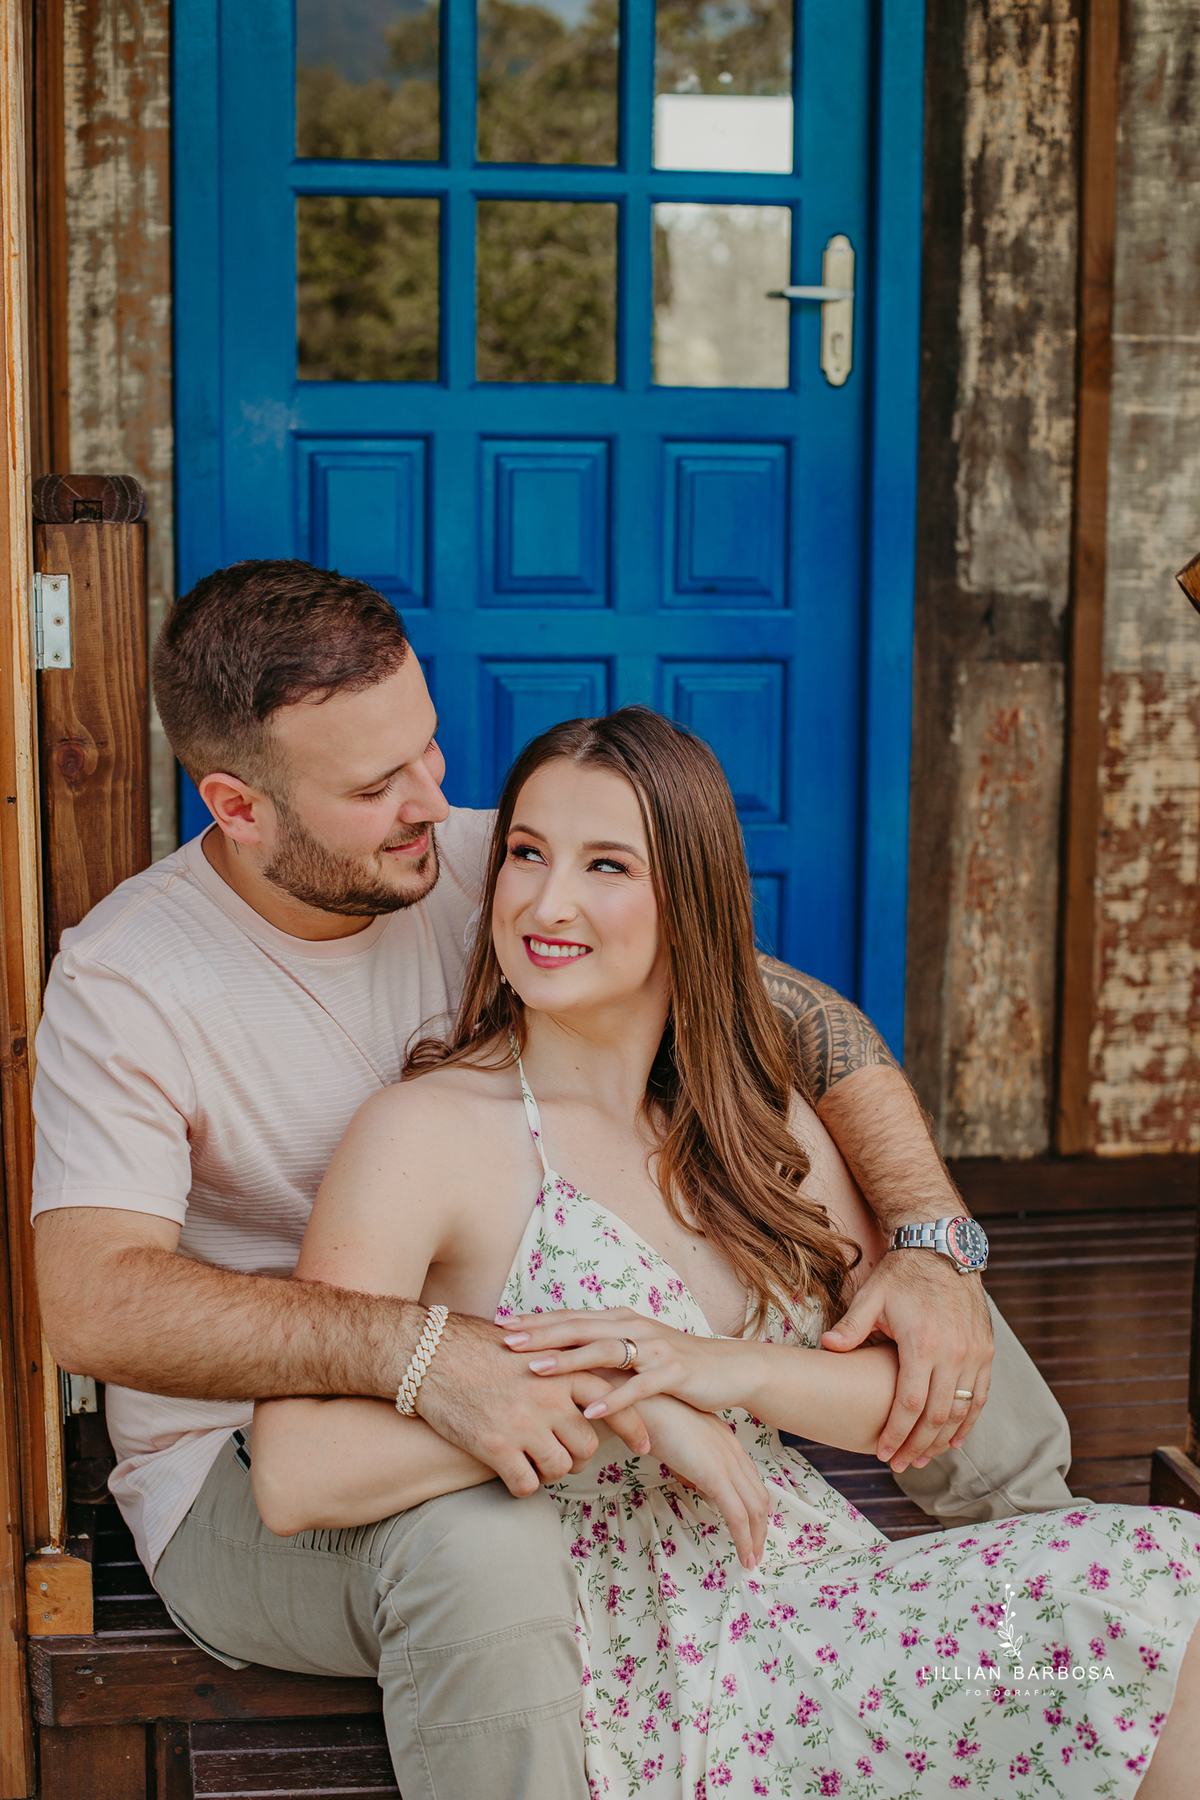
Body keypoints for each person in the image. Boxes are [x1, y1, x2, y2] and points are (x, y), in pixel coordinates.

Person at [32, 560, 1065, 1800]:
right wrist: (433, 1355)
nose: (433, 801)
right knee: (485, 1548)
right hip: (256, 1470)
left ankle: (1047, 1577)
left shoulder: (487, 860)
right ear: (239, 808)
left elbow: (781, 1012)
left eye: (429, 750)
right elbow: (95, 1303)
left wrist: (934, 1237)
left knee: (916, 1295)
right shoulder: (130, 982)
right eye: (377, 786)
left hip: (550, 1355)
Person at [253, 706, 1200, 1798]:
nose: (545, 902)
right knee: (1149, 1595)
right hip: (663, 1679)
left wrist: (721, 1370)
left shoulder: (757, 1125)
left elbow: (898, 1397)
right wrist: (634, 1413)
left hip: (827, 1611)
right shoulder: (430, 1134)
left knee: (1122, 1633)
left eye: (606, 865)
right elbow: (294, 1472)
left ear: (689, 900)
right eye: (525, 853)